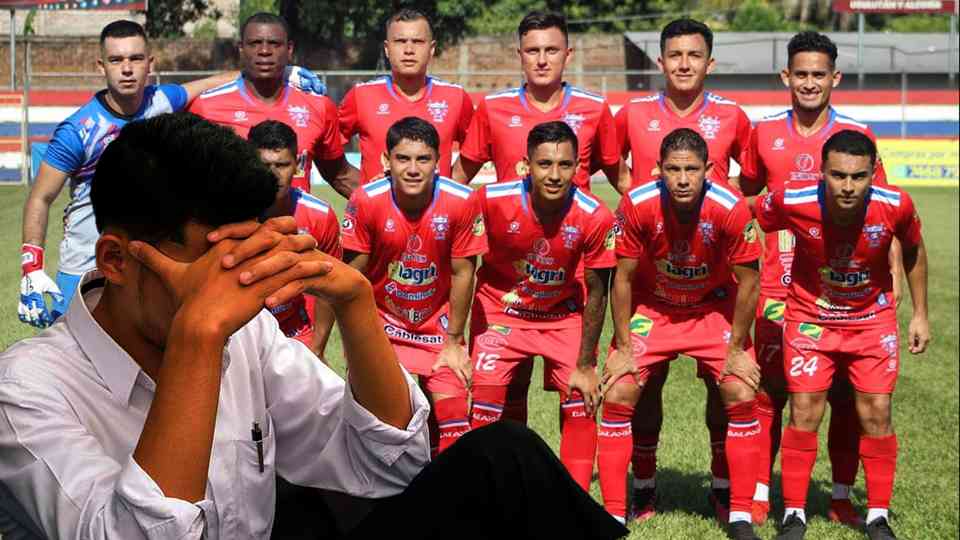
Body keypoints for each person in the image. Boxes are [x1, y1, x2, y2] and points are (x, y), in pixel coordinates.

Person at [0, 112, 629, 540]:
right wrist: (197, 338)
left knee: (503, 459)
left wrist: (356, 305)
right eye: (216, 262)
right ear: (116, 261)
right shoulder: (27, 389)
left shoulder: (244, 335)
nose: (240, 283)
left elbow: (387, 466)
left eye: (249, 252)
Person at [17, 19, 314, 328]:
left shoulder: (162, 101)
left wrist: (285, 73)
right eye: (116, 60)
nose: (127, 69)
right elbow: (41, 197)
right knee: (76, 351)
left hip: (146, 263)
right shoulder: (77, 130)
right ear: (101, 66)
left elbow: (213, 82)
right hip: (85, 265)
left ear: (150, 63)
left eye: (135, 58)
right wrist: (31, 267)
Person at [737, 31, 896, 526]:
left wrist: (888, 278)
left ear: (835, 78)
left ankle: (841, 496)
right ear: (786, 76)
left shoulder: (856, 135)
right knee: (770, 392)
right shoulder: (764, 132)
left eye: (819, 74)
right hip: (774, 285)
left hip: (840, 291)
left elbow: (883, 212)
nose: (809, 83)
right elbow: (748, 205)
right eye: (801, 74)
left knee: (845, 395)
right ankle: (760, 491)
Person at [611, 18, 754, 522]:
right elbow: (613, 166)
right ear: (661, 61)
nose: (684, 64)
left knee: (725, 386)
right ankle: (644, 485)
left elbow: (749, 180)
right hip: (651, 280)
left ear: (709, 63)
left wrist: (717, 222)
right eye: (675, 55)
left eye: (694, 55)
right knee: (642, 385)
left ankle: (724, 485)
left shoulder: (733, 116)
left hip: (712, 282)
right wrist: (641, 207)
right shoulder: (632, 114)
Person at [754, 130, 928, 540]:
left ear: (873, 173)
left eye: (858, 176)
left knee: (876, 411)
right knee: (804, 409)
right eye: (838, 175)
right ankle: (794, 515)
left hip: (871, 320)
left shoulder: (896, 204)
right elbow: (744, 215)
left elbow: (914, 250)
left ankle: (878, 517)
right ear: (822, 172)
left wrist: (921, 314)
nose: (848, 186)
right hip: (810, 318)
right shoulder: (791, 199)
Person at [602, 128, 762, 540]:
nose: (684, 179)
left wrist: (737, 349)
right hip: (654, 308)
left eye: (692, 169)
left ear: (709, 169)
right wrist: (623, 347)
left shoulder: (730, 207)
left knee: (740, 391)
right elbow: (622, 279)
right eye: (674, 170)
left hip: (712, 307)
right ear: (658, 170)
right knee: (620, 390)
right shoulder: (636, 203)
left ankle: (737, 509)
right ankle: (623, 506)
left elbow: (749, 282)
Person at [468, 121, 616, 493]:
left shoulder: (595, 215)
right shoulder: (490, 200)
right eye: (545, 164)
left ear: (578, 168)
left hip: (562, 316)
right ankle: (487, 491)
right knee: (485, 398)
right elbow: (461, 261)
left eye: (565, 165)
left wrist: (585, 365)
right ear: (525, 166)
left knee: (582, 397)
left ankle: (574, 501)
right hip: (501, 313)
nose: (554, 175)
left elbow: (598, 293)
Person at [341, 117, 487, 456]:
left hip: (438, 332)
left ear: (438, 161)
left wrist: (454, 342)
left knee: (454, 419)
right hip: (383, 331)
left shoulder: (462, 201)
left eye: (423, 159)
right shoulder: (366, 200)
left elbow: (464, 273)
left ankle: (443, 486)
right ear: (386, 160)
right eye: (403, 158)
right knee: (384, 427)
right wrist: (358, 340)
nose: (412, 169)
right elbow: (351, 278)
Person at [189, 12, 359, 198]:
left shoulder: (319, 106)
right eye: (254, 43)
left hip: (295, 217)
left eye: (274, 43)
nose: (264, 51)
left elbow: (340, 176)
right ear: (241, 49)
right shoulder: (205, 107)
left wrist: (383, 197)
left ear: (289, 49)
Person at [453, 11, 623, 192]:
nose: (542, 61)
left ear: (567, 55)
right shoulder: (492, 108)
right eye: (532, 51)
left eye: (551, 50)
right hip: (511, 212)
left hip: (574, 212)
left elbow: (622, 180)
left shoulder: (595, 108)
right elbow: (456, 180)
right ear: (520, 55)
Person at [339, 8, 474, 183]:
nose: (409, 49)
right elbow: (327, 150)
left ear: (431, 49)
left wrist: (449, 188)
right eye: (400, 41)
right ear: (387, 49)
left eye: (418, 41)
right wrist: (364, 192)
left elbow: (476, 151)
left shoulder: (455, 97)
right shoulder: (361, 96)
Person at [249, 120, 341, 359]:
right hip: (241, 333)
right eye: (264, 165)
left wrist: (317, 349)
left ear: (298, 164)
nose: (273, 174)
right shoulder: (226, 213)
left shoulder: (320, 216)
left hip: (294, 334)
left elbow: (330, 285)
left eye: (282, 165)